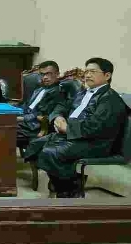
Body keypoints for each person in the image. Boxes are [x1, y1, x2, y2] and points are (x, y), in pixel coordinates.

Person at [24, 57, 127, 198]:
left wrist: (67, 128)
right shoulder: (83, 92)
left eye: (93, 72)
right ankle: (67, 183)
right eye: (86, 71)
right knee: (36, 144)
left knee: (51, 152)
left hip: (95, 143)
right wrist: (58, 117)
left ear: (107, 75)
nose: (87, 75)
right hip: (75, 136)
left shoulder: (109, 99)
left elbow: (94, 127)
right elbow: (62, 106)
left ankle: (68, 191)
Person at [17, 61, 66, 145]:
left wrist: (20, 118)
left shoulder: (57, 92)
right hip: (23, 122)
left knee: (1, 130)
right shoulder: (39, 89)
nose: (45, 77)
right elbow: (26, 105)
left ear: (57, 74)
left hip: (34, 127)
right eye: (42, 74)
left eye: (48, 74)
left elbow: (42, 114)